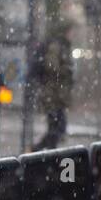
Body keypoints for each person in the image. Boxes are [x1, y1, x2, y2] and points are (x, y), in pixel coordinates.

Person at [30, 19, 74, 151]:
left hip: (56, 95)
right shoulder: (56, 46)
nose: (73, 34)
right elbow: (51, 67)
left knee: (58, 128)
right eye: (71, 31)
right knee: (56, 128)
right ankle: (39, 151)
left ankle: (44, 152)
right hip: (52, 94)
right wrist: (66, 70)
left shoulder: (63, 45)